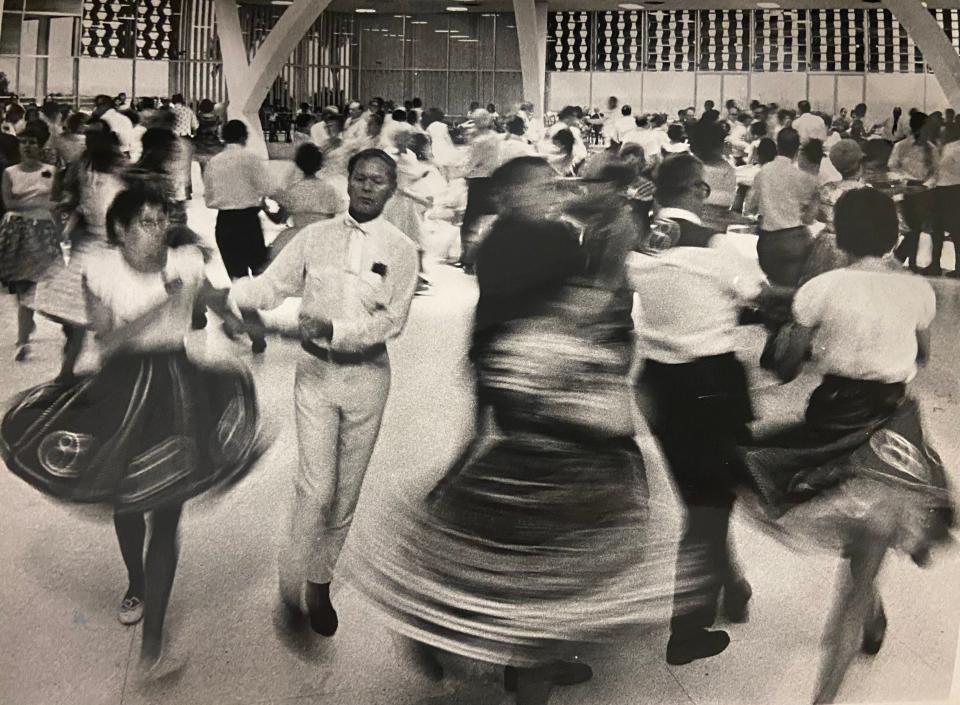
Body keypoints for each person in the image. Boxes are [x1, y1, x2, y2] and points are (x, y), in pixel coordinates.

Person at [346, 156, 681, 705]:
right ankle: (503, 654)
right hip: (562, 486)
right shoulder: (555, 321)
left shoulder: (524, 331)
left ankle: (477, 645)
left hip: (525, 442)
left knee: (499, 552)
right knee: (539, 589)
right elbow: (610, 417)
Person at [1, 184, 264, 674]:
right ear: (120, 230)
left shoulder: (185, 260)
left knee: (165, 512)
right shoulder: (101, 269)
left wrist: (241, 321)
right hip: (119, 390)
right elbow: (110, 341)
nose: (159, 228)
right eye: (146, 221)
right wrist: (162, 305)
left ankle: (154, 638)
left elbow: (215, 303)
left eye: (163, 219)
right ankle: (136, 582)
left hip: (178, 387)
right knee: (128, 501)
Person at [742, 187, 953, 704]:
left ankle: (825, 696)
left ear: (839, 233)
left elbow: (784, 366)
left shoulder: (822, 288)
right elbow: (920, 357)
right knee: (864, 559)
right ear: (893, 234)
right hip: (893, 432)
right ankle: (871, 614)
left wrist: (794, 328)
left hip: (830, 427)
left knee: (835, 531)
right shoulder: (917, 290)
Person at [230, 148, 418, 638]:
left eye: (379, 180)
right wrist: (226, 295)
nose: (368, 187)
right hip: (314, 376)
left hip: (368, 378)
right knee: (316, 489)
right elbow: (272, 286)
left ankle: (320, 581)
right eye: (360, 177)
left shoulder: (401, 248)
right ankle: (290, 582)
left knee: (346, 491)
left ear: (391, 189)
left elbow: (392, 322)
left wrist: (333, 327)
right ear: (348, 182)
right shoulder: (315, 237)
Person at [629, 153, 768, 666]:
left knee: (703, 494)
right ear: (696, 190)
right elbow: (758, 293)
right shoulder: (715, 245)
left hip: (660, 385)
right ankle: (686, 630)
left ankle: (731, 585)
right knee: (709, 506)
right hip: (712, 387)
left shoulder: (641, 243)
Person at [202, 119, 272, 352]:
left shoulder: (214, 162)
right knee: (261, 270)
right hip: (249, 222)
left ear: (223, 137)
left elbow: (209, 198)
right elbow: (266, 187)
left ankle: (253, 327)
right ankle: (256, 316)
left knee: (239, 278)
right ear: (245, 137)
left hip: (226, 223)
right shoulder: (250, 159)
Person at [0, 121, 62, 362]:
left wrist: (59, 225)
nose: (27, 146)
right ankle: (23, 335)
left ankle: (28, 327)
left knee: (43, 283)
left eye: (32, 143)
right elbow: (9, 203)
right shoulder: (10, 173)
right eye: (23, 142)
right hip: (16, 232)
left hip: (44, 231)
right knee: (22, 285)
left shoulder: (50, 170)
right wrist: (41, 204)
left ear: (40, 145)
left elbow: (56, 204)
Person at [744, 127, 819, 287]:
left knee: (774, 287)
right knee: (791, 289)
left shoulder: (764, 172)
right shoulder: (805, 178)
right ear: (797, 149)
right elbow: (810, 217)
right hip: (796, 240)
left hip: (769, 242)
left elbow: (749, 206)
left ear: (778, 146)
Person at [269, 143, 346, 258]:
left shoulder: (293, 190)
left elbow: (279, 218)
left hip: (297, 237)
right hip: (323, 238)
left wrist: (265, 207)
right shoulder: (329, 189)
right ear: (319, 164)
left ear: (299, 164)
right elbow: (338, 214)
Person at [888, 111, 939, 273]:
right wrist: (905, 182)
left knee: (921, 230)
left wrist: (926, 185)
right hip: (906, 191)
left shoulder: (931, 149)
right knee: (912, 229)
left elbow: (935, 173)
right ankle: (902, 262)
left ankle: (904, 263)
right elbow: (892, 167)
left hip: (925, 193)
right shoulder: (901, 146)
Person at [933, 123, 960, 277]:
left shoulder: (950, 149)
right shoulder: (950, 147)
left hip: (946, 191)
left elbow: (938, 170)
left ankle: (935, 265)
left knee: (937, 230)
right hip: (952, 191)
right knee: (956, 232)